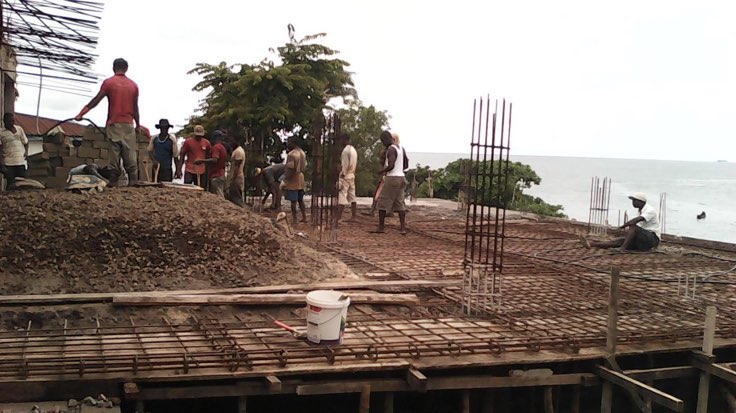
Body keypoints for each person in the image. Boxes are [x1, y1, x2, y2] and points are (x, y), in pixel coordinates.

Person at [75, 58, 140, 186]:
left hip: (114, 123)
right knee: (129, 152)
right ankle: (133, 181)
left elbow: (96, 100)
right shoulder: (133, 85)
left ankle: (113, 181)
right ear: (126, 69)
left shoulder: (109, 83)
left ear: (113, 68)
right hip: (128, 124)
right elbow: (135, 107)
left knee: (114, 153)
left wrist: (81, 113)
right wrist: (138, 124)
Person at [581, 192, 661, 252]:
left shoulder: (650, 210)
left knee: (633, 227)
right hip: (643, 241)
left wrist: (621, 227)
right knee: (619, 241)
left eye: (634, 200)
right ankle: (591, 244)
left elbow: (634, 222)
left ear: (641, 201)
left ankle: (622, 248)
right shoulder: (640, 211)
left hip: (652, 240)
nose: (633, 202)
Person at [373, 131, 409, 234]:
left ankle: (381, 227)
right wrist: (401, 171)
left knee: (382, 202)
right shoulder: (401, 148)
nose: (383, 144)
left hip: (392, 178)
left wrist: (382, 171)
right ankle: (402, 228)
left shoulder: (391, 149)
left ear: (386, 139)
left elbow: (391, 165)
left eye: (383, 141)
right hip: (401, 178)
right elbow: (406, 163)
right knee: (400, 203)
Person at [0, 113, 29, 190]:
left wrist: (26, 153)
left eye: (13, 120)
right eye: (10, 121)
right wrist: (2, 162)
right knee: (11, 184)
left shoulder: (19, 129)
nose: (12, 122)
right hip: (9, 163)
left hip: (20, 161)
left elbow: (26, 142)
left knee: (22, 183)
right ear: (5, 121)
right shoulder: (1, 132)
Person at [283, 136, 307, 224]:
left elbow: (290, 168)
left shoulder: (291, 154)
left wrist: (285, 179)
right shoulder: (302, 153)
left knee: (293, 201)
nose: (288, 144)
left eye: (289, 142)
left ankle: (295, 219)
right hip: (301, 177)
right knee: (301, 200)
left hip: (294, 179)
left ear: (293, 143)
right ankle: (304, 217)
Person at [335, 133, 358, 225]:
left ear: (344, 140)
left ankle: (338, 218)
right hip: (352, 174)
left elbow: (344, 165)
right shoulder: (353, 150)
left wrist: (341, 175)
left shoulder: (345, 151)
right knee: (352, 196)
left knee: (342, 195)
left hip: (346, 175)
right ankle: (354, 216)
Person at [198, 130, 228, 197]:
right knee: (220, 194)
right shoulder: (222, 147)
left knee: (218, 196)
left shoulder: (216, 147)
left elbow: (214, 159)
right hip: (221, 174)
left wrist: (202, 161)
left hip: (216, 175)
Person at [227, 137, 246, 207]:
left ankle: (242, 209)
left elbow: (237, 166)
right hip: (236, 176)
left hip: (237, 177)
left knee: (236, 197)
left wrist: (233, 178)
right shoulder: (238, 150)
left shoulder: (238, 152)